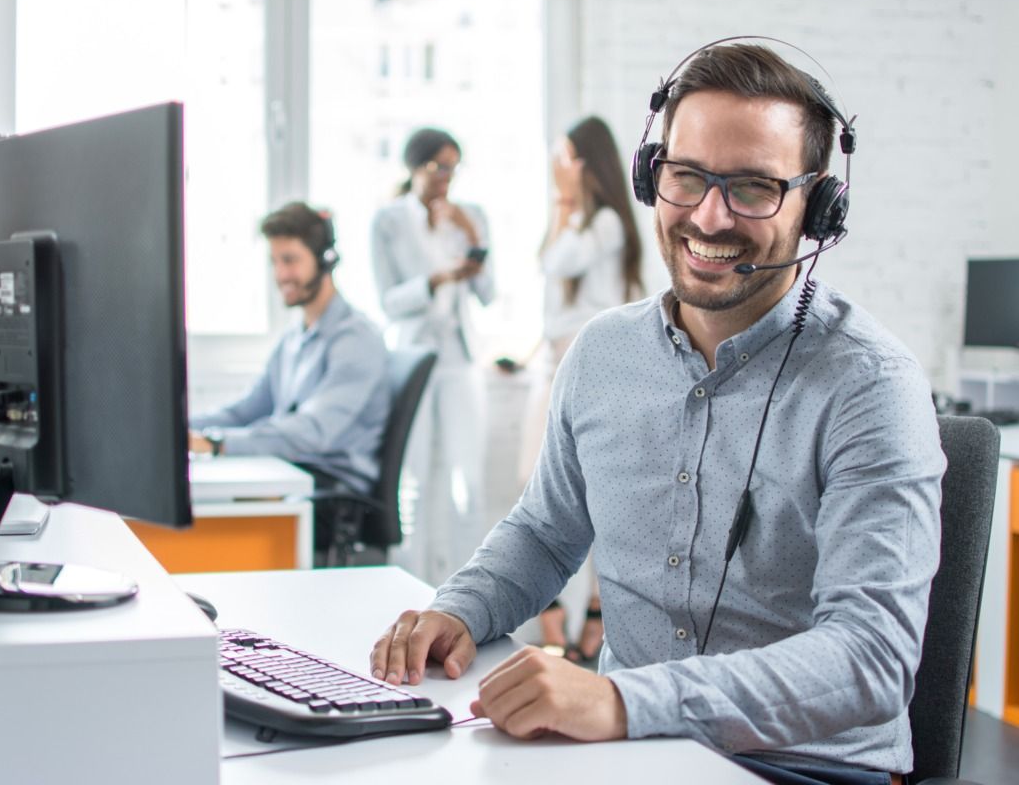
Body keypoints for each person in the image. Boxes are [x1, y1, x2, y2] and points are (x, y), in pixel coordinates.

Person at [370, 42, 944, 785]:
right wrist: (461, 610)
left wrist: (621, 702)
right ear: (652, 176)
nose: (710, 215)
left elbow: (871, 658)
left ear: (817, 207)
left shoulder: (871, 386)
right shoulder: (602, 353)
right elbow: (546, 533)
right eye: (688, 176)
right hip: (630, 757)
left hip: (804, 769)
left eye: (754, 187)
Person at [190, 202, 390, 552]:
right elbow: (247, 410)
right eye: (275, 261)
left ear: (325, 259)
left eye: (290, 260)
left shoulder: (356, 340)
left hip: (332, 497)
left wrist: (217, 443)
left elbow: (313, 432)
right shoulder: (294, 337)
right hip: (292, 478)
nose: (281, 274)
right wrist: (180, 428)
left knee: (210, 522)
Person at [518, 116, 643, 663]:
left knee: (593, 493)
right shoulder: (579, 221)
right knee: (536, 488)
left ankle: (590, 612)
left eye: (566, 158)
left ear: (588, 163)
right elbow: (547, 271)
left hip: (587, 368)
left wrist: (564, 205)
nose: (559, 170)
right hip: (550, 364)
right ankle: (553, 617)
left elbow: (557, 260)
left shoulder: (609, 223)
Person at [370, 127, 495, 586]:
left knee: (468, 485)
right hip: (413, 358)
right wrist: (437, 280)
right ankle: (408, 591)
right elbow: (388, 301)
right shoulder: (388, 221)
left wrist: (470, 235)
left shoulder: (471, 215)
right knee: (413, 483)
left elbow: (487, 291)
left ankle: (474, 594)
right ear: (413, 167)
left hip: (459, 359)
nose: (446, 177)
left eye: (452, 168)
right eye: (437, 167)